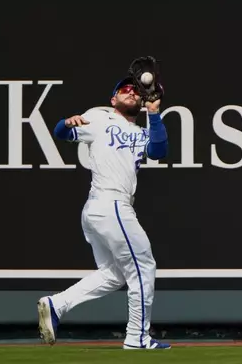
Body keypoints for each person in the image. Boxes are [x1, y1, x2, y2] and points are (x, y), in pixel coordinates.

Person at [36, 76, 171, 349]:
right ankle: (137, 337)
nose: (131, 92)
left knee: (114, 274)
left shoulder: (143, 131)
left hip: (103, 209)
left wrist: (154, 114)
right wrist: (66, 123)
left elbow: (159, 151)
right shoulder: (99, 117)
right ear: (113, 99)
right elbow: (61, 132)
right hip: (110, 204)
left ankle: (57, 305)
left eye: (135, 90)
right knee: (143, 267)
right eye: (124, 89)